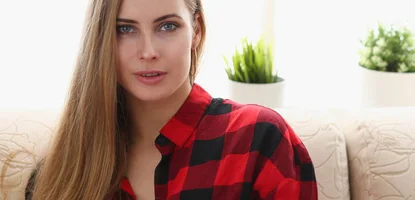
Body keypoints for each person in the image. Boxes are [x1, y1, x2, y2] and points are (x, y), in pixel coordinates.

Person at [24, 0, 318, 199]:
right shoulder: (59, 174)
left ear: (196, 31)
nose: (148, 51)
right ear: (101, 40)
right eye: (125, 29)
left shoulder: (257, 138)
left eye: (167, 26)